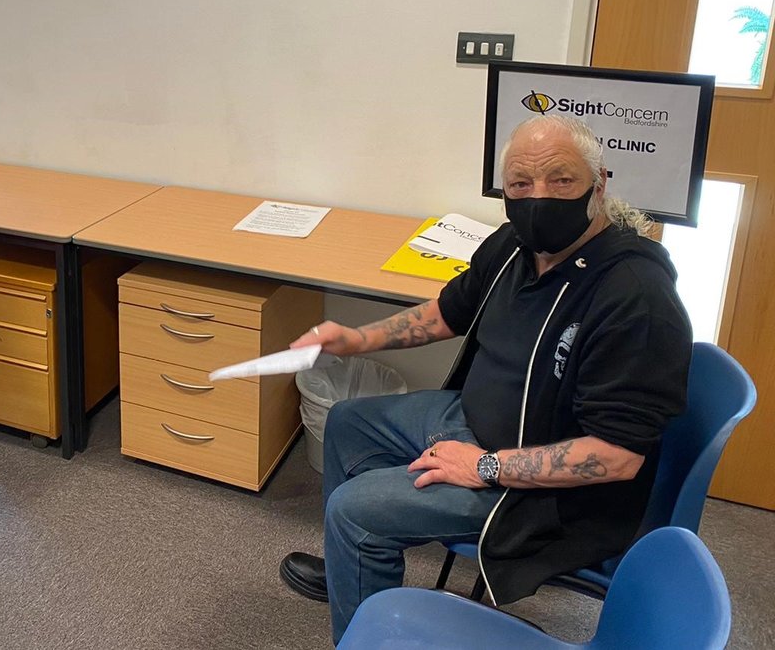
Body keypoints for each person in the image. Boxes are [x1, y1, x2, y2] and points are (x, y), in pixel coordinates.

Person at [278, 115, 692, 643]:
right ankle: (352, 571)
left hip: (544, 488)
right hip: (474, 421)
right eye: (520, 184)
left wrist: (487, 466)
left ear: (599, 184)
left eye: (561, 180)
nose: (538, 197)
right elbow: (448, 312)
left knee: (355, 511)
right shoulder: (514, 247)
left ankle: (363, 617)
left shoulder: (636, 296)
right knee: (348, 421)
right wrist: (357, 339)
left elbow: (616, 456)